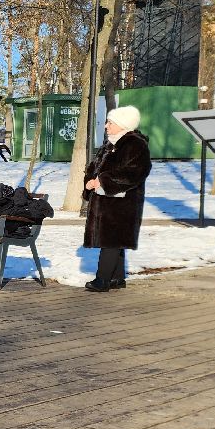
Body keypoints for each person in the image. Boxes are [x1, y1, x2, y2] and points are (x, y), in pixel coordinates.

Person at [84, 104, 152, 292]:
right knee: (115, 239)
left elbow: (136, 172)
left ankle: (102, 280)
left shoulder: (135, 144)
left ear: (122, 124)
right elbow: (94, 168)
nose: (106, 126)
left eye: (110, 122)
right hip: (106, 201)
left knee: (111, 240)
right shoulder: (110, 144)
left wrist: (103, 181)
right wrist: (90, 180)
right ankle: (117, 278)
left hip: (123, 202)